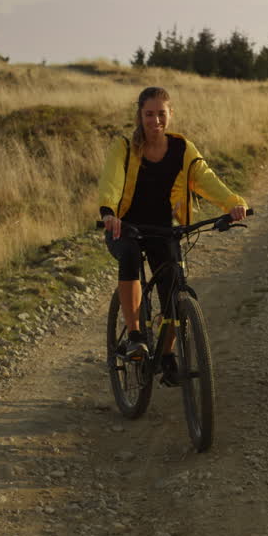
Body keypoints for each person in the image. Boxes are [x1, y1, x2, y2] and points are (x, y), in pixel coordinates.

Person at [98, 86, 248, 382]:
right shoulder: (125, 147)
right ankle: (136, 336)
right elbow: (112, 181)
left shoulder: (182, 148)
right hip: (125, 227)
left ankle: (166, 356)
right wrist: (109, 212)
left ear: (171, 114)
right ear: (140, 115)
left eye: (161, 114)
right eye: (149, 114)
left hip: (164, 228)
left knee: (173, 288)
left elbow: (205, 178)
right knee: (128, 256)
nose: (155, 121)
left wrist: (233, 203)